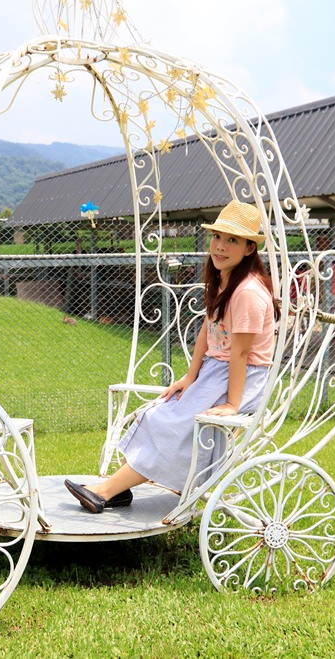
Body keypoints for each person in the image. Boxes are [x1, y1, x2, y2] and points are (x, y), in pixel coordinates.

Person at [64, 201, 279, 513]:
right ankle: (118, 491)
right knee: (157, 413)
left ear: (249, 249)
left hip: (241, 377)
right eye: (218, 237)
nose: (220, 246)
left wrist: (232, 404)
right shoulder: (225, 281)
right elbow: (208, 332)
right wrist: (189, 378)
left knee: (174, 425)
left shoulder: (247, 292)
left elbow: (241, 353)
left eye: (232, 240)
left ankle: (104, 492)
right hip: (215, 372)